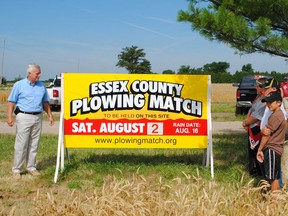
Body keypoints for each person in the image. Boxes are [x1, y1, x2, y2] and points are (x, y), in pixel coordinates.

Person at [7, 63, 54, 180]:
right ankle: (16, 169)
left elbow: (45, 102)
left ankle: (31, 167)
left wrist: (50, 115)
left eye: (39, 73)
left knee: (34, 143)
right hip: (23, 116)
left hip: (38, 117)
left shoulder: (42, 86)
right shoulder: (19, 85)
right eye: (37, 73)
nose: (39, 75)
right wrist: (9, 117)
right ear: (29, 73)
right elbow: (11, 102)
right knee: (21, 144)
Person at [256, 91, 286, 191]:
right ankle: (276, 200)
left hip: (272, 148)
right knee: (275, 176)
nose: (268, 105)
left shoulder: (276, 116)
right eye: (267, 102)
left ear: (279, 102)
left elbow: (266, 134)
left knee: (272, 177)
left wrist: (259, 149)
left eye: (270, 102)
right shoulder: (277, 114)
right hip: (275, 149)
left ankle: (274, 199)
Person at [242, 77, 267, 176]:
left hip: (257, 128)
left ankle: (260, 173)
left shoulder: (264, 101)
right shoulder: (258, 98)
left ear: (262, 87)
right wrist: (246, 122)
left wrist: (245, 123)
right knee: (252, 151)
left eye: (257, 86)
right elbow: (251, 110)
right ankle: (253, 170)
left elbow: (256, 116)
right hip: (251, 127)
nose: (256, 87)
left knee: (257, 150)